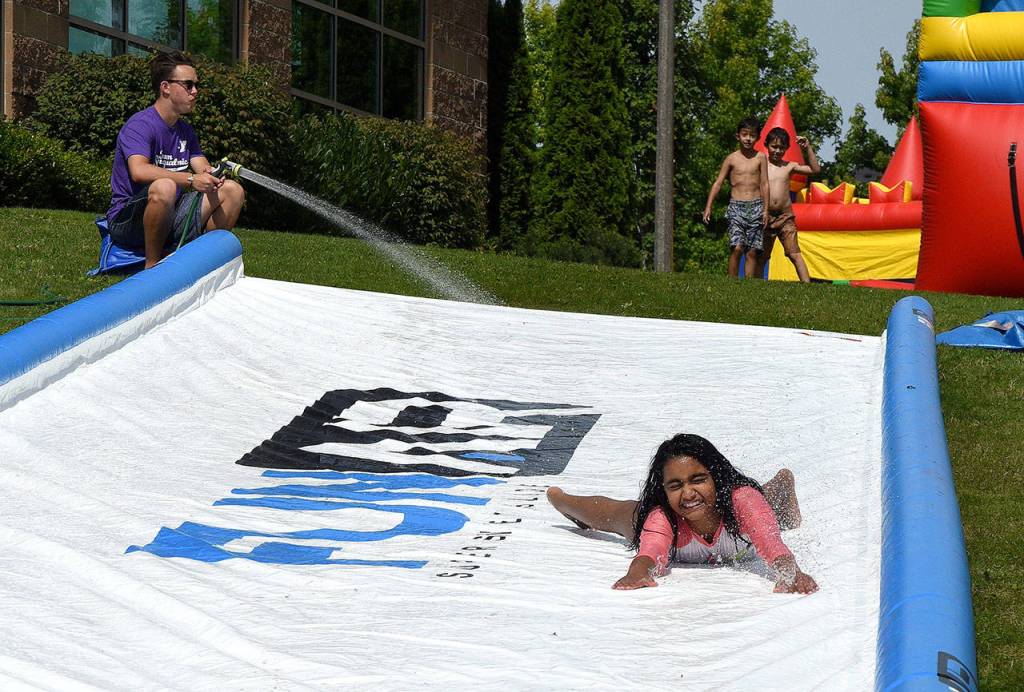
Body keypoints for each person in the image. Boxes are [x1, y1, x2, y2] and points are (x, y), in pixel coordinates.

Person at [546, 433, 818, 594]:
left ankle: (781, 487)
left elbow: (773, 546)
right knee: (619, 515)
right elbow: (648, 554)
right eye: (675, 486)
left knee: (762, 505)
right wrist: (637, 573)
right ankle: (566, 501)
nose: (687, 494)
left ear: (716, 478)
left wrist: (791, 574)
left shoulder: (742, 502)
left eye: (698, 480)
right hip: (651, 519)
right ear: (664, 490)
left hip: (745, 506)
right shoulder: (662, 516)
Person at [106, 51, 245, 269]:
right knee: (164, 186)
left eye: (196, 85)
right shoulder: (140, 125)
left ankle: (202, 264)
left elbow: (201, 166)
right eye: (188, 85)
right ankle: (152, 267)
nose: (195, 91)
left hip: (171, 214)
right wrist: (191, 180)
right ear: (166, 88)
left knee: (232, 191)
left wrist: (213, 175)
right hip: (128, 222)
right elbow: (139, 171)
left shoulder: (185, 130)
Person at [703, 117, 770, 278]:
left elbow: (765, 184)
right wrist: (708, 206)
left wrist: (766, 210)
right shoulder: (731, 158)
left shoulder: (760, 157)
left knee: (753, 251)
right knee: (737, 247)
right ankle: (731, 283)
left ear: (758, 138)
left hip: (756, 206)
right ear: (737, 136)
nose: (748, 138)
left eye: (752, 135)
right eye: (744, 134)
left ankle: (747, 286)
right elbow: (718, 183)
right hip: (736, 208)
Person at [754, 127, 819, 283]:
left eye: (781, 147)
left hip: (785, 217)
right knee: (762, 255)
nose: (777, 150)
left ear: (787, 149)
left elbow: (815, 169)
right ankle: (755, 286)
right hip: (765, 216)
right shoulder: (761, 165)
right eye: (774, 146)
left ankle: (807, 285)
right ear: (766, 145)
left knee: (794, 253)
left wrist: (807, 148)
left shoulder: (789, 166)